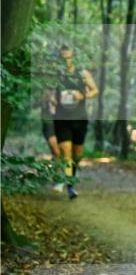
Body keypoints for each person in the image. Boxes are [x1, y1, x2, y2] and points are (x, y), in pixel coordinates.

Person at [51, 45, 99, 199]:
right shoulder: (55, 75)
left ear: (73, 57)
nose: (65, 60)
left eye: (68, 56)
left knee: (77, 154)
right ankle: (70, 185)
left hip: (79, 119)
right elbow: (49, 92)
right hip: (61, 118)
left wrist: (83, 96)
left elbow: (95, 90)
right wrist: (52, 99)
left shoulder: (82, 73)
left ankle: (71, 175)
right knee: (66, 152)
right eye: (63, 57)